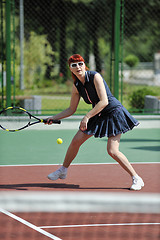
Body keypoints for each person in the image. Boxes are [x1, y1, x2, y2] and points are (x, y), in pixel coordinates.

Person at [45, 54, 144, 191]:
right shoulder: (77, 85)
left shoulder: (95, 76)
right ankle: (63, 170)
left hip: (113, 113)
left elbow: (104, 101)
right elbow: (71, 109)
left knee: (112, 151)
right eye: (74, 65)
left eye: (80, 64)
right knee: (76, 141)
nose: (78, 67)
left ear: (84, 65)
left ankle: (136, 178)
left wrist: (86, 117)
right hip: (98, 113)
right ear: (70, 69)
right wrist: (54, 118)